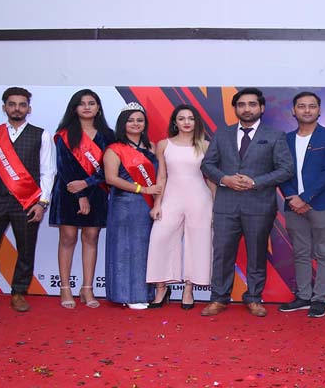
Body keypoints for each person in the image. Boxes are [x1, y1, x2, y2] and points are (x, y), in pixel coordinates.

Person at [200, 88, 294, 317]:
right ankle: (219, 298)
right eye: (241, 104)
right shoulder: (222, 134)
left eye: (252, 104)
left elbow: (286, 169)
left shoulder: (275, 135)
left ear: (261, 108)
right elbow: (207, 165)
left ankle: (253, 298)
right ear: (235, 108)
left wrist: (255, 182)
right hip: (226, 205)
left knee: (257, 254)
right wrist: (225, 179)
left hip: (259, 205)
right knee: (222, 254)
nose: (247, 109)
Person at [0, 87, 56, 315]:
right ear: (4, 107)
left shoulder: (41, 135)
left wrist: (42, 203)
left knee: (26, 249)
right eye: (12, 104)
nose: (17, 109)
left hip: (28, 202)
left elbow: (48, 172)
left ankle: (18, 293)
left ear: (29, 108)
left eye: (22, 104)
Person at [277, 92, 325, 318]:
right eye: (301, 106)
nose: (307, 110)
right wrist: (292, 197)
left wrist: (305, 198)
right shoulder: (285, 140)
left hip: (323, 204)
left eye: (312, 106)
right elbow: (281, 171)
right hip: (293, 205)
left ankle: (319, 299)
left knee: (324, 252)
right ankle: (303, 296)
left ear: (319, 110)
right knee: (300, 253)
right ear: (293, 111)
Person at [49, 89, 114, 309]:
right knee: (68, 237)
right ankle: (65, 287)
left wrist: (87, 184)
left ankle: (87, 288)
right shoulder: (65, 134)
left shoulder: (108, 135)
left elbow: (110, 167)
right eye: (82, 103)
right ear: (74, 108)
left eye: (91, 103)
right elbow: (63, 166)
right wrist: (80, 194)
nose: (86, 107)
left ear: (98, 108)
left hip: (97, 190)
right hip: (68, 191)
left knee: (91, 237)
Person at [146, 104, 215, 310]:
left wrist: (215, 205)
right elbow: (161, 176)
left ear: (196, 122)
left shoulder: (205, 145)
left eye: (191, 118)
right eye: (182, 118)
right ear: (175, 122)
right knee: (159, 239)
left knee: (199, 242)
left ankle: (188, 289)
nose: (186, 122)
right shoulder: (164, 144)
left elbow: (211, 178)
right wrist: (157, 204)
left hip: (200, 198)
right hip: (171, 197)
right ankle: (161, 288)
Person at [103, 103, 162, 310]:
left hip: (148, 206)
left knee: (145, 249)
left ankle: (146, 292)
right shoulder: (115, 149)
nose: (136, 124)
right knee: (125, 249)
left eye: (140, 120)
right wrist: (142, 189)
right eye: (131, 120)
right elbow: (111, 178)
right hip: (125, 204)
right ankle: (127, 294)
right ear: (123, 123)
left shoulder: (152, 147)